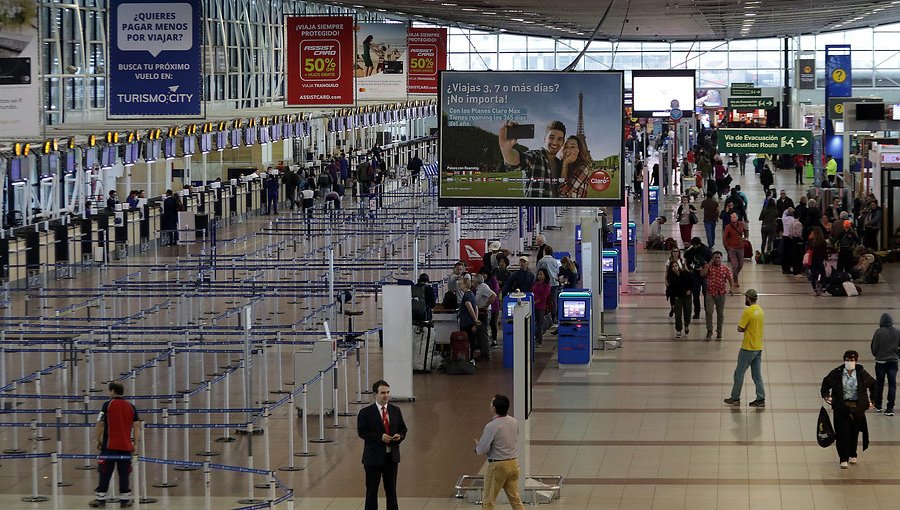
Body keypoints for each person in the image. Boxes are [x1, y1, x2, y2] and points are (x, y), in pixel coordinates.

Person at [357, 380, 407, 510]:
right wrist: (379, 437)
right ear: (375, 394)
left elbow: (403, 429)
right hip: (373, 459)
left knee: (391, 491)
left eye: (388, 392)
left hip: (391, 458)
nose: (386, 396)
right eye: (383, 393)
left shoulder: (395, 410)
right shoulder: (366, 413)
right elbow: (362, 432)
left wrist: (399, 436)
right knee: (371, 491)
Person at [821, 350, 875, 469]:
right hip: (841, 408)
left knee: (853, 433)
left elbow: (873, 384)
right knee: (842, 433)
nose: (849, 362)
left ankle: (852, 454)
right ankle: (843, 458)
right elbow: (826, 383)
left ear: (856, 361)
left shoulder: (861, 373)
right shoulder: (837, 373)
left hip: (857, 409)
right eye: (847, 360)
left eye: (852, 360)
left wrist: (873, 400)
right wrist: (826, 396)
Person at [89, 382, 140, 508]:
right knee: (124, 473)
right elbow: (137, 425)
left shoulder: (107, 405)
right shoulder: (131, 406)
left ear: (113, 391)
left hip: (109, 446)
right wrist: (136, 444)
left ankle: (101, 500)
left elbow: (100, 423)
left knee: (105, 472)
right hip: (126, 447)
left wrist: (98, 439)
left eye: (109, 391)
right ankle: (124, 500)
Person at [473, 394, 526, 510]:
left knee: (488, 501)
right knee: (515, 500)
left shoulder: (491, 426)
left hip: (498, 466)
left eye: (491, 403)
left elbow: (482, 449)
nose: (490, 404)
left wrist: (478, 447)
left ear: (494, 408)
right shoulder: (513, 421)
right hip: (513, 464)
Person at [499, 120, 566, 198]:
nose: (555, 142)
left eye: (559, 139)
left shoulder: (561, 165)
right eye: (551, 137)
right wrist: (506, 149)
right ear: (545, 139)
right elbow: (517, 161)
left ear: (563, 142)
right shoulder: (535, 156)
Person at [724, 289, 766, 408]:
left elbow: (740, 328)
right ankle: (761, 398)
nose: (745, 299)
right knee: (757, 375)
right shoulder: (760, 310)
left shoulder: (748, 312)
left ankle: (735, 398)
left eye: (745, 297)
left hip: (748, 347)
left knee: (739, 373)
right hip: (758, 347)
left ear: (748, 298)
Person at [700, 251, 734, 340]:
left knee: (720, 314)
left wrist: (731, 288)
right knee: (709, 311)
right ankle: (709, 330)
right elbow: (702, 274)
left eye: (718, 257)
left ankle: (719, 331)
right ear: (712, 258)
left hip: (721, 293)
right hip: (710, 293)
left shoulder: (725, 269)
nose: (717, 259)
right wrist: (708, 265)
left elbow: (730, 279)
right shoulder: (709, 267)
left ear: (721, 258)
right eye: (715, 257)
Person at [871, 313, 900, 416]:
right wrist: (897, 356)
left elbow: (874, 348)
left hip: (881, 362)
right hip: (893, 362)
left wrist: (876, 355)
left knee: (879, 383)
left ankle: (878, 405)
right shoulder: (897, 332)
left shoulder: (878, 332)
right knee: (892, 385)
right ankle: (890, 408)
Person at [665, 248, 692, 338]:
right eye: (673, 267)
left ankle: (687, 324)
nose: (674, 268)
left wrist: (690, 290)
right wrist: (672, 303)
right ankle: (679, 330)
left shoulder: (685, 273)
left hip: (687, 296)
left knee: (687, 312)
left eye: (676, 266)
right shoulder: (671, 279)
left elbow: (692, 282)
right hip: (678, 297)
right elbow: (671, 291)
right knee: (678, 315)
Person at [684, 237, 712, 320]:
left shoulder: (706, 250)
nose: (694, 246)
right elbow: (686, 258)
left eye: (694, 245)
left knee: (705, 294)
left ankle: (707, 311)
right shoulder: (692, 250)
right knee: (695, 295)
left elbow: (711, 260)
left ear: (698, 244)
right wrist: (690, 269)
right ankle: (697, 312)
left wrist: (705, 267)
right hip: (695, 275)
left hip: (704, 275)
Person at [473, 272, 497, 361]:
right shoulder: (479, 288)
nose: (472, 283)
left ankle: (485, 354)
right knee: (481, 333)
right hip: (480, 311)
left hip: (484, 312)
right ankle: (483, 352)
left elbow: (493, 295)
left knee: (483, 333)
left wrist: (486, 305)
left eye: (473, 281)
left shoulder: (483, 287)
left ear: (476, 282)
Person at [536, 246, 561, 325]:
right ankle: (553, 318)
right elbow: (557, 272)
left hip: (545, 283)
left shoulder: (541, 261)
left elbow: (537, 271)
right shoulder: (555, 261)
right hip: (554, 283)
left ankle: (544, 317)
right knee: (553, 301)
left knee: (544, 300)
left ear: (545, 252)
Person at [723, 212, 746, 288]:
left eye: (734, 217)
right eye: (731, 217)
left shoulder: (741, 224)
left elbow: (746, 231)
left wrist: (745, 237)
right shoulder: (728, 227)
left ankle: (734, 275)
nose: (733, 218)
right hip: (732, 248)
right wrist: (727, 247)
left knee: (741, 264)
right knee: (734, 265)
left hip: (740, 247)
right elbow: (725, 238)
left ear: (737, 217)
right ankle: (735, 281)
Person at [531, 268, 551, 346]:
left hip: (541, 306)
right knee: (534, 322)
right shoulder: (536, 283)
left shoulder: (547, 284)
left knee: (540, 323)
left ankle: (539, 340)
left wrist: (535, 302)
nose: (539, 276)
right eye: (539, 274)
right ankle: (535, 337)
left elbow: (544, 296)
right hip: (533, 305)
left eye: (541, 274)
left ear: (545, 275)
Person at [808, 226, 828, 296]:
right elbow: (824, 251)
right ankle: (823, 288)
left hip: (812, 260)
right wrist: (826, 258)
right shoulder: (822, 241)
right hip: (819, 260)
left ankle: (815, 289)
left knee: (814, 275)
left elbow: (808, 250)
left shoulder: (811, 241)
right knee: (822, 274)